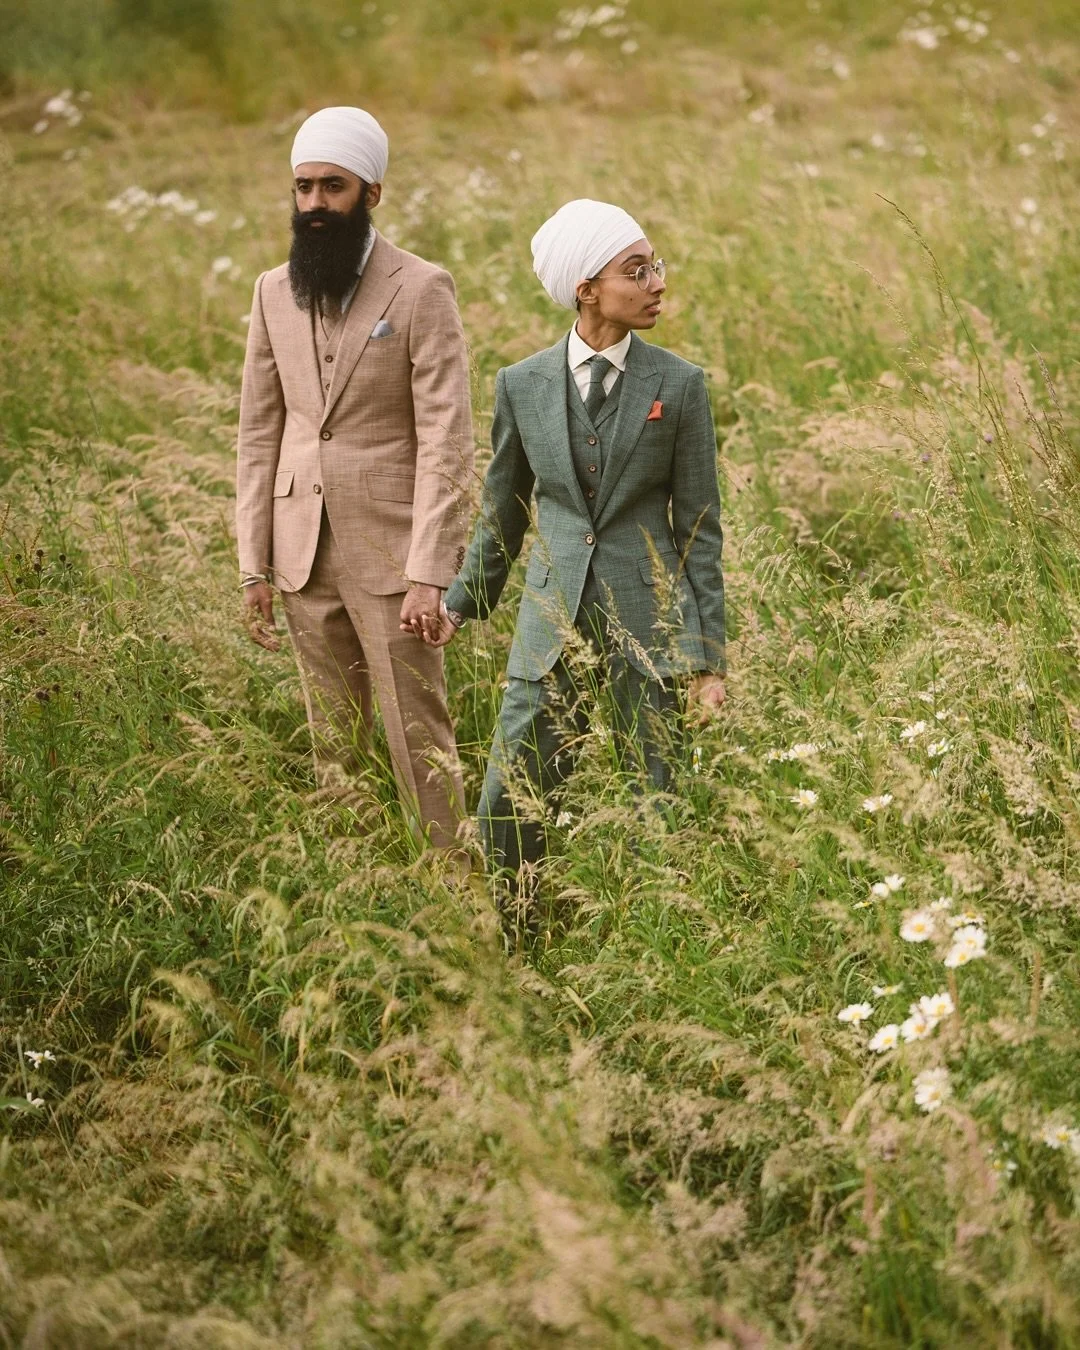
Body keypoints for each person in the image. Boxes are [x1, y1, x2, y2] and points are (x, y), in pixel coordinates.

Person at [427, 198, 726, 888]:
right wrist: (460, 603)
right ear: (585, 289)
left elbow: (699, 532)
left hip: (649, 628)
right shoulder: (522, 384)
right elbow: (503, 509)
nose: (657, 283)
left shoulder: (679, 386)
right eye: (637, 270)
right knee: (510, 799)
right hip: (547, 623)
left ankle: (665, 934)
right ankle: (519, 933)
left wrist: (707, 661)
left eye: (656, 267)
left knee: (659, 802)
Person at [235, 106, 473, 849]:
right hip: (303, 552)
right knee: (332, 743)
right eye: (302, 188)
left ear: (371, 192)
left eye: (330, 187)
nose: (313, 205)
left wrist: (431, 571)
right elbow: (258, 431)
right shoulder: (273, 289)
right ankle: (356, 897)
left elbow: (447, 437)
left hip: (396, 559)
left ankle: (458, 900)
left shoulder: (422, 287)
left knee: (420, 743)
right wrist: (254, 563)